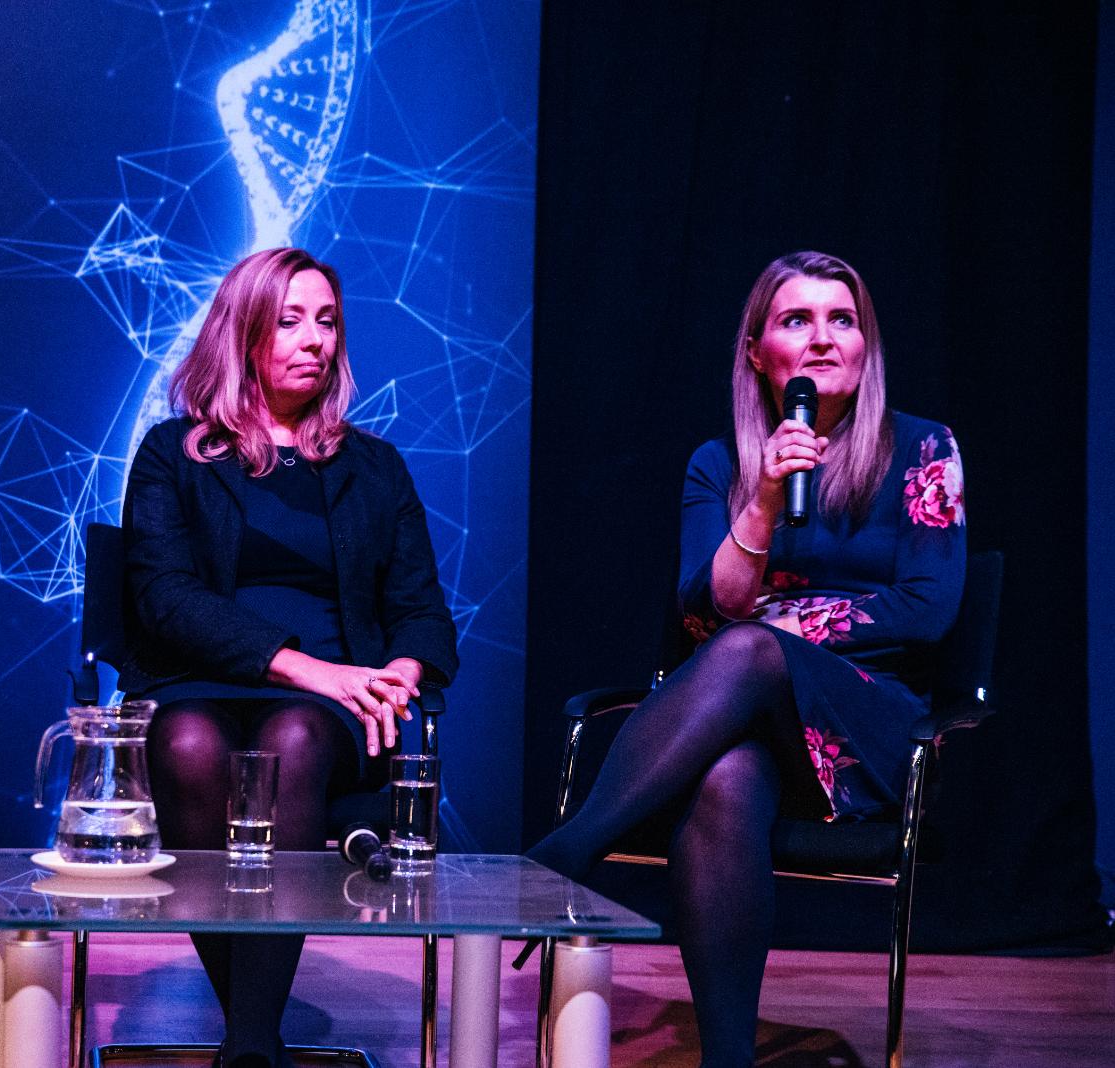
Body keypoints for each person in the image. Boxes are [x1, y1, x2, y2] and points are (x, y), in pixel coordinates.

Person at [528, 250, 967, 1067]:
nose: (823, 338)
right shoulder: (719, 463)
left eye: (842, 320)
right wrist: (763, 499)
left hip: (872, 726)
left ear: (865, 345)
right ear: (758, 352)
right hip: (747, 725)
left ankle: (565, 852)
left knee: (751, 646)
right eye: (797, 320)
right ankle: (726, 1059)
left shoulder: (921, 449)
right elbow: (707, 611)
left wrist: (778, 630)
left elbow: (926, 608)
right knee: (725, 777)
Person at [120, 247, 458, 1068]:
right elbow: (164, 598)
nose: (314, 340)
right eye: (290, 321)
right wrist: (307, 668)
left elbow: (421, 612)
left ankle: (247, 1044)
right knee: (188, 741)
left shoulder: (374, 467)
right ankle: (255, 1034)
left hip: (331, 713)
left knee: (293, 739)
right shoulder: (172, 454)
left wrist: (396, 676)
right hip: (199, 682)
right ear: (242, 335)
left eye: (327, 322)